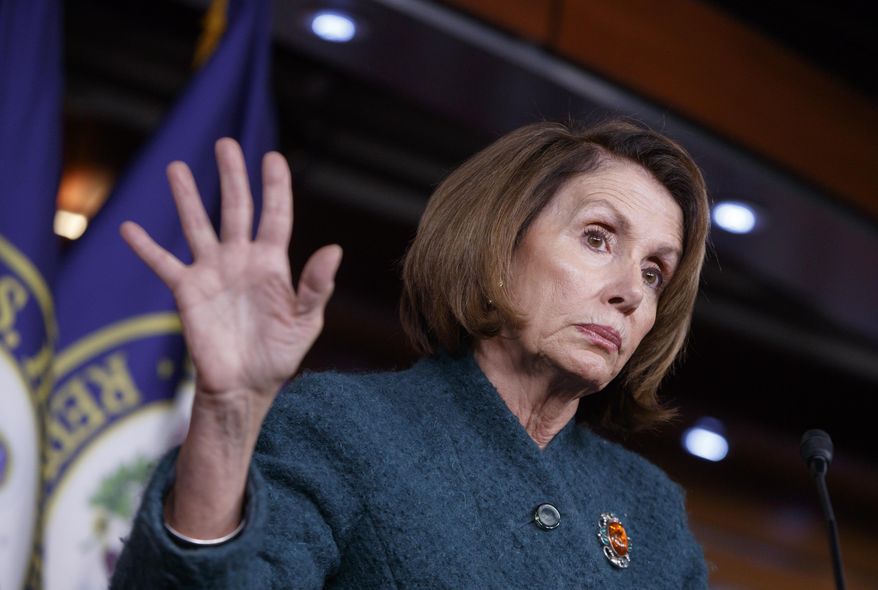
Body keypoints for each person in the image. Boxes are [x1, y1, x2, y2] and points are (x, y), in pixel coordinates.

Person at [111, 119, 710, 589]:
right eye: (598, 237)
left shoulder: (651, 509)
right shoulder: (344, 429)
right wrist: (227, 416)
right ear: (498, 249)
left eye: (655, 272)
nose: (631, 291)